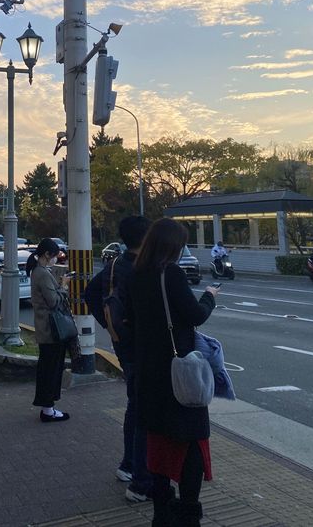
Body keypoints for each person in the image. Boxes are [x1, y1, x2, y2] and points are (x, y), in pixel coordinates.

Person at [127, 218, 219, 527]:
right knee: (190, 443)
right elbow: (195, 315)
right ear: (172, 246)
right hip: (178, 373)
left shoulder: (138, 274)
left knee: (158, 444)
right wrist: (209, 297)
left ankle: (161, 514)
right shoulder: (171, 274)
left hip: (148, 374)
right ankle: (188, 513)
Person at [85, 215, 152, 502]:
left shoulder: (115, 265)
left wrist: (113, 329)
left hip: (124, 346)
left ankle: (129, 465)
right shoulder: (142, 267)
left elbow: (89, 294)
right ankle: (140, 477)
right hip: (143, 348)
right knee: (144, 411)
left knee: (135, 406)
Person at [26, 237, 72, 422]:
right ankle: (48, 409)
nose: (56, 259)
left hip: (45, 329)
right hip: (51, 330)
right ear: (47, 255)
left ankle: (48, 408)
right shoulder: (42, 274)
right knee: (51, 369)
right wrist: (64, 286)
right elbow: (53, 301)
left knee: (48, 368)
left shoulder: (39, 271)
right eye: (54, 256)